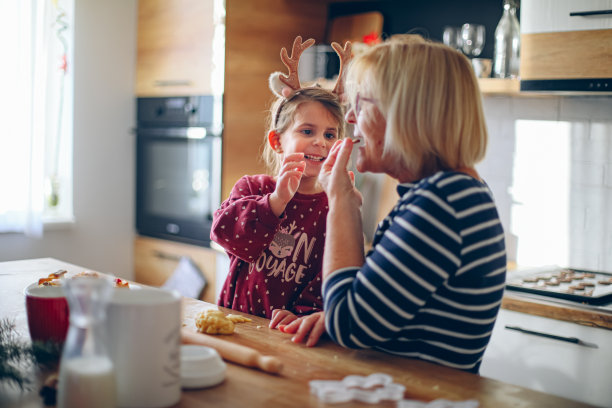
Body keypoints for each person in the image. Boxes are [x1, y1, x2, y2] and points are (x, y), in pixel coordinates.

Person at [317, 34, 507, 373]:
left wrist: (341, 204)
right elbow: (384, 316)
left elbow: (350, 326)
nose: (350, 119)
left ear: (403, 114)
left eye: (361, 105)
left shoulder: (442, 203)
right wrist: (327, 317)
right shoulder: (453, 194)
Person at [211, 37, 349, 346]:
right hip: (235, 325)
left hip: (286, 337)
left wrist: (302, 315)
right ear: (277, 141)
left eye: (330, 134)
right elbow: (222, 232)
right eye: (307, 131)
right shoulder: (253, 188)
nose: (321, 143)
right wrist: (274, 202)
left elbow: (325, 279)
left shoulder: (332, 208)